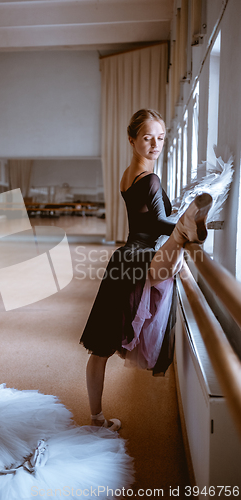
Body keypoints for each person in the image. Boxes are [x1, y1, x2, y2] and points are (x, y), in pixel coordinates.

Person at [79, 109, 212, 431]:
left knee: (101, 347)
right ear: (132, 140)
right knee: (101, 347)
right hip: (137, 259)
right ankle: (187, 231)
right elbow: (155, 223)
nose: (155, 144)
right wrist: (180, 221)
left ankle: (97, 417)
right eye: (147, 138)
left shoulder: (130, 173)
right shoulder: (149, 177)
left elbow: (150, 217)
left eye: (161, 138)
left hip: (128, 259)